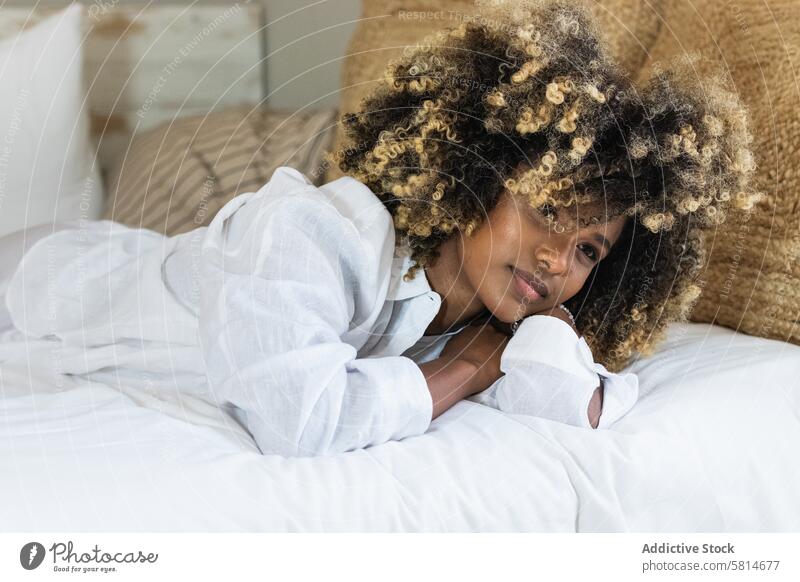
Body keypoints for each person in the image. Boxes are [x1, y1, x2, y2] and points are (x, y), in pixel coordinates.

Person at [0, 0, 759, 457]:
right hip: (46, 283)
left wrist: (546, 338)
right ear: (480, 175)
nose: (560, 254)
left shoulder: (492, 311)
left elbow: (583, 408)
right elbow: (296, 418)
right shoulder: (315, 229)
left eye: (592, 248)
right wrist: (469, 366)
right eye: (547, 209)